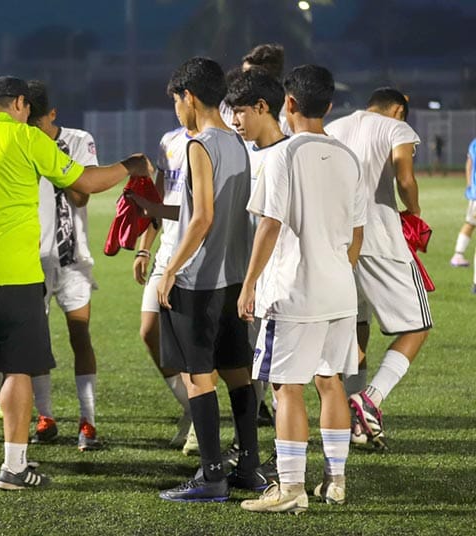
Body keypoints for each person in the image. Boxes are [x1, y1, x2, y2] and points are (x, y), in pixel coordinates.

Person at [0, 75, 151, 489]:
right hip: (19, 276)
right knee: (17, 372)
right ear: (20, 104)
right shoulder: (27, 139)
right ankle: (14, 467)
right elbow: (85, 183)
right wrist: (129, 166)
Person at [132, 57, 264, 503]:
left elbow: (202, 216)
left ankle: (211, 477)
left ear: (188, 97)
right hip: (232, 277)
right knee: (238, 375)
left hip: (198, 282)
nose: (176, 110)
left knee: (197, 377)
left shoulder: (199, 145)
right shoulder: (238, 143)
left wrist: (169, 270)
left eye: (175, 101)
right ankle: (248, 466)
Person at [239, 65, 366, 514]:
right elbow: (356, 234)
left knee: (285, 387)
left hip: (294, 292)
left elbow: (269, 224)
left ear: (288, 103)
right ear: (329, 106)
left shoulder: (282, 156)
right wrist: (336, 273)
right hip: (339, 293)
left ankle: (290, 488)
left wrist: (249, 283)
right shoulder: (349, 157)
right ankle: (336, 481)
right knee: (330, 383)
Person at [327, 88, 432, 450]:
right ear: (398, 110)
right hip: (380, 240)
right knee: (418, 327)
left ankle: (355, 425)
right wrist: (414, 211)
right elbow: (404, 179)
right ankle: (369, 398)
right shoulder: (395, 128)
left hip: (339, 243)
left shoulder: (335, 128)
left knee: (356, 328)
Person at [26, 80, 102, 450]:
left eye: (38, 123)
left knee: (79, 334)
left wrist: (55, 158)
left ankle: (88, 421)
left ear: (52, 116)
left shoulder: (77, 139)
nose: (32, 129)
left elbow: (81, 195)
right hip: (30, 258)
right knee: (36, 341)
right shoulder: (20, 141)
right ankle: (46, 415)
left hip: (73, 257)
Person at [223, 66, 290, 466]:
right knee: (258, 369)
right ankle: (251, 451)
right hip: (249, 277)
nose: (234, 121)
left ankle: (286, 465)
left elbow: (274, 224)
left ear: (263, 107)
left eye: (240, 111)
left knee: (285, 378)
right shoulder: (243, 152)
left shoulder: (289, 155)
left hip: (277, 281)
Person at [133, 125, 195, 451]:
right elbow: (157, 200)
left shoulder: (217, 141)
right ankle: (192, 408)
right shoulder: (169, 140)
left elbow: (203, 211)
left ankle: (204, 418)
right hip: (166, 253)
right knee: (149, 330)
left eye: (178, 99)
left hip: (199, 254)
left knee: (194, 341)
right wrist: (145, 247)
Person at [448, 136, 476, 285]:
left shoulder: (474, 143)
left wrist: (470, 186)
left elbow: (469, 165)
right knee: (470, 224)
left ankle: (458, 255)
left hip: (474, 195)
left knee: (470, 223)